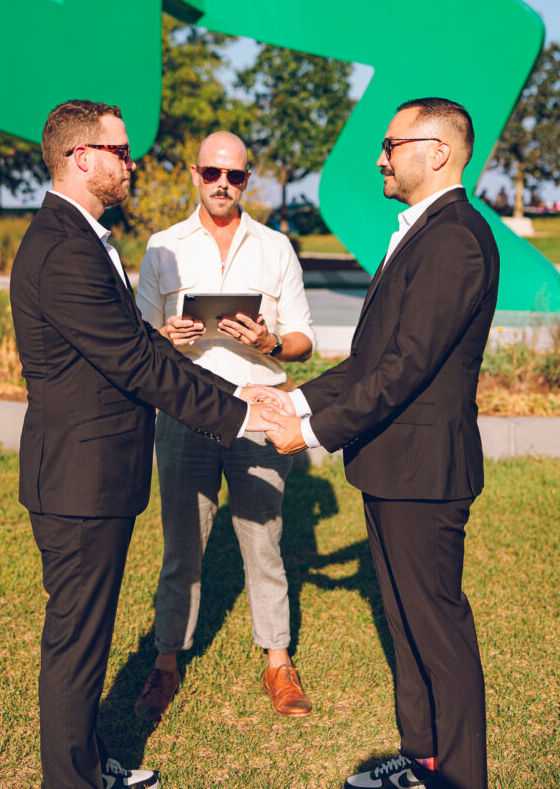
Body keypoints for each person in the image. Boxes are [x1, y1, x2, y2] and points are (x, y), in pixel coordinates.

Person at [10, 101, 274, 789]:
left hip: (90, 470)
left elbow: (118, 350)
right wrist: (240, 410)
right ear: (82, 157)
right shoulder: (65, 246)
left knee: (85, 641)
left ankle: (88, 766)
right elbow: (132, 364)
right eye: (121, 152)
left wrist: (159, 349)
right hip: (79, 475)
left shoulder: (81, 235)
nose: (132, 162)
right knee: (76, 644)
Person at [261, 98, 499, 789]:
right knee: (406, 622)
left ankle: (457, 778)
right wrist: (298, 399)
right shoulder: (419, 231)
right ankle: (421, 758)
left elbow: (406, 367)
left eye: (390, 143)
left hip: (425, 469)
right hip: (393, 466)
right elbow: (372, 358)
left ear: (438, 151)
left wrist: (308, 434)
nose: (379, 156)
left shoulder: (454, 236)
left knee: (438, 631)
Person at [134, 131, 315, 719]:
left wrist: (269, 341)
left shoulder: (275, 247)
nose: (222, 185)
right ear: (195, 173)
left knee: (264, 542)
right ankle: (165, 665)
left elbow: (304, 341)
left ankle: (278, 663)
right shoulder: (163, 248)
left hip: (259, 413)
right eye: (213, 173)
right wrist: (165, 336)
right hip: (184, 411)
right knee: (183, 545)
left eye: (234, 176)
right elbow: (133, 344)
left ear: (247, 179)